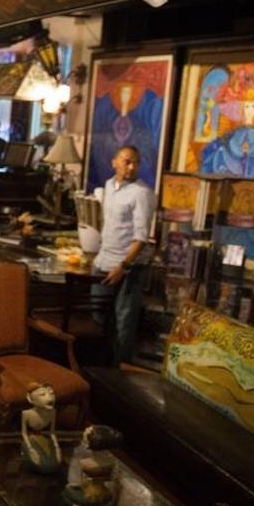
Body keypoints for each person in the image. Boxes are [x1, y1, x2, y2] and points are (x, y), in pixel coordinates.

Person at [93, 145, 155, 365]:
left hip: (127, 267)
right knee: (98, 318)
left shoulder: (141, 193)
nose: (131, 167)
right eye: (127, 161)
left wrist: (124, 266)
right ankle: (99, 367)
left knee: (123, 323)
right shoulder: (109, 186)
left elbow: (141, 238)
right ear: (114, 162)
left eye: (136, 163)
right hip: (103, 261)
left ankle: (119, 372)